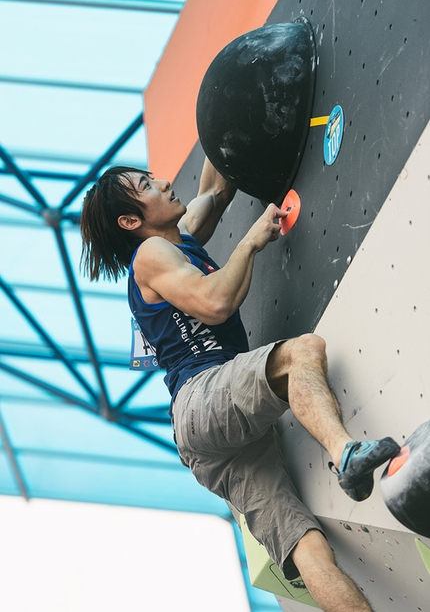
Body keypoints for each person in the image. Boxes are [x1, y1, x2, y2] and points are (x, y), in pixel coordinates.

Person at [80, 159, 400, 612]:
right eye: (146, 185)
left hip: (206, 440)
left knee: (307, 547)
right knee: (300, 353)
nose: (165, 182)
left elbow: (215, 186)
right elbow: (215, 302)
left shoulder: (179, 238)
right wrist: (250, 241)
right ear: (131, 221)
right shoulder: (150, 255)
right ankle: (345, 453)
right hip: (202, 395)